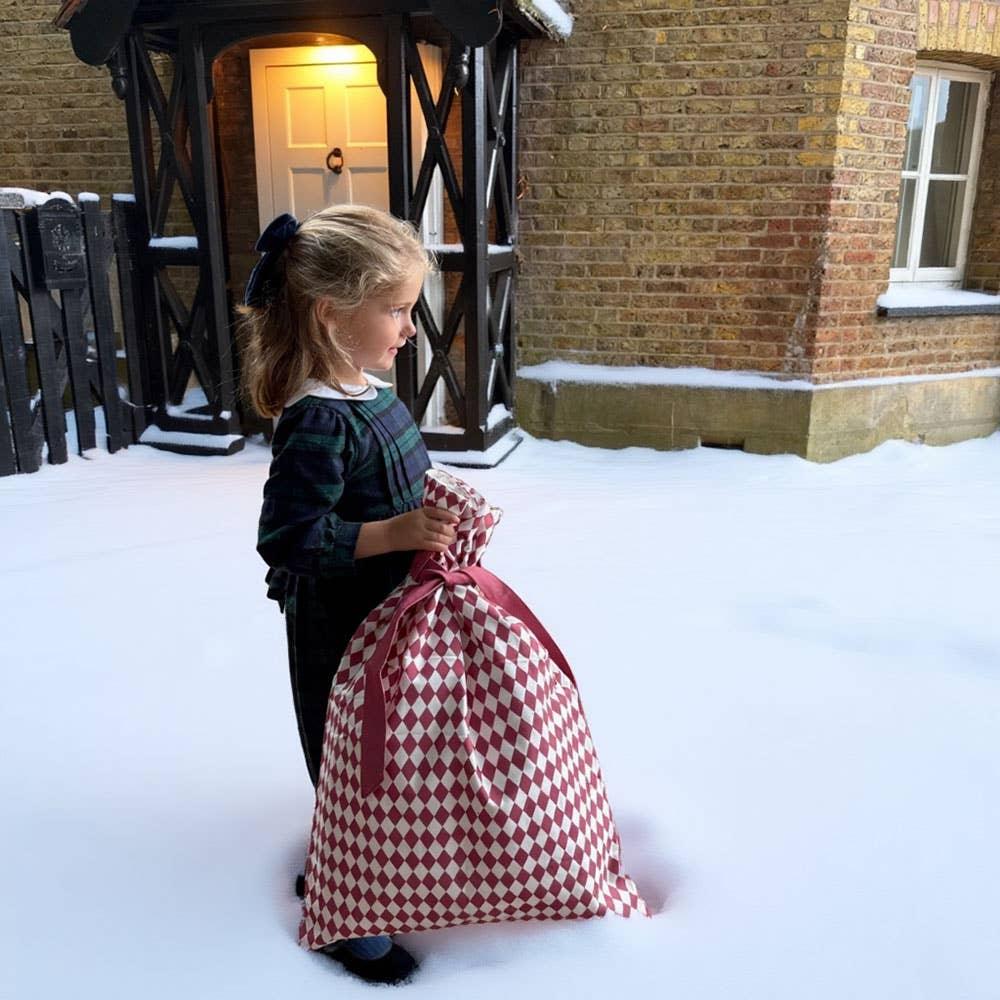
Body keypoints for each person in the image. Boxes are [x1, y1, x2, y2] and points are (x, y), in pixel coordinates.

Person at [237, 204, 461, 986]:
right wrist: (396, 535)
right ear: (333, 315)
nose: (409, 326)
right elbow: (290, 537)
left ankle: (372, 862)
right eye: (395, 308)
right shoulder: (316, 422)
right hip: (341, 624)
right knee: (352, 762)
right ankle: (345, 908)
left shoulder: (366, 390)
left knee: (393, 756)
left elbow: (394, 480)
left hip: (393, 616)